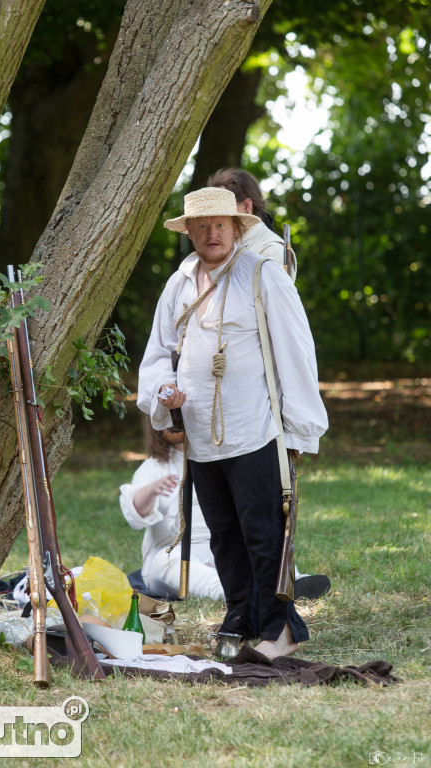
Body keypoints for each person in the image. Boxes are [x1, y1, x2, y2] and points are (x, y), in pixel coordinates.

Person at [137, 186, 328, 658]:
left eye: (219, 224)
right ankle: (240, 615)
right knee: (223, 534)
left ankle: (278, 630)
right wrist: (164, 393)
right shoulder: (179, 284)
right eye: (200, 226)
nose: (210, 233)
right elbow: (159, 354)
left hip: (255, 429)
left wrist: (300, 429)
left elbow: (296, 354)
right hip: (201, 439)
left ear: (237, 226)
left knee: (263, 532)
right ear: (190, 234)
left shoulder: (263, 275)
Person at [208, 167, 331, 602]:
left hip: (264, 400)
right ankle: (248, 603)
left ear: (245, 207)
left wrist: (297, 422)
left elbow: (286, 342)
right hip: (225, 403)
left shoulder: (267, 253)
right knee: (231, 519)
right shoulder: (222, 252)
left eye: (224, 213)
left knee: (264, 511)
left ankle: (280, 587)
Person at [119, 422, 224, 600]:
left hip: (219, 549)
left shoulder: (221, 462)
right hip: (169, 553)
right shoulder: (155, 466)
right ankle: (226, 593)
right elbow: (135, 515)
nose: (176, 423)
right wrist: (152, 489)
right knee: (165, 561)